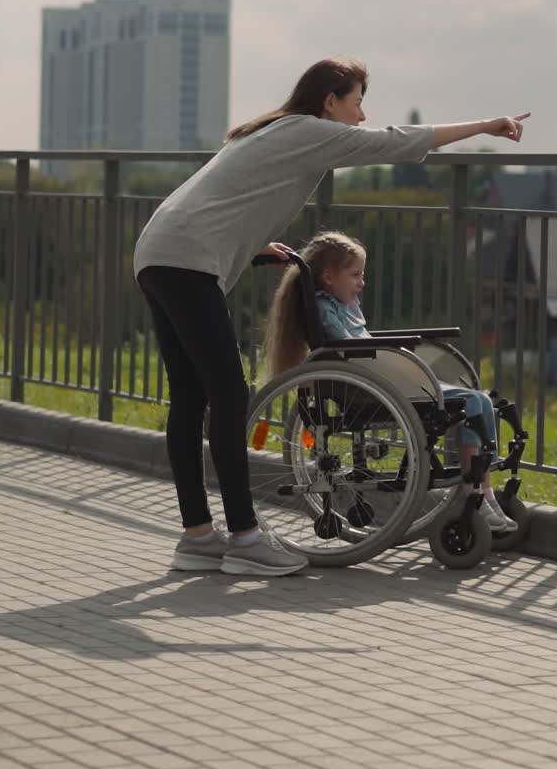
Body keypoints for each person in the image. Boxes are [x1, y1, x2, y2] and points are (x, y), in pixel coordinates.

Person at [134, 56, 529, 575]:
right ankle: (246, 538)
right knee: (228, 395)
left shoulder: (273, 129)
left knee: (190, 399)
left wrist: (254, 247)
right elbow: (397, 140)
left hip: (160, 252)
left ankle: (199, 537)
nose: (362, 117)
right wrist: (485, 125)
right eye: (357, 102)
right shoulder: (312, 132)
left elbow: (228, 198)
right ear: (330, 101)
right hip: (187, 261)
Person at [265, 230, 517, 534]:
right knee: (476, 402)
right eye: (355, 274)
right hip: (375, 388)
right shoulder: (326, 308)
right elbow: (346, 350)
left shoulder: (336, 307)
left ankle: (482, 492)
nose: (361, 282)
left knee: (480, 401)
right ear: (330, 277)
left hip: (380, 383)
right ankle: (476, 492)